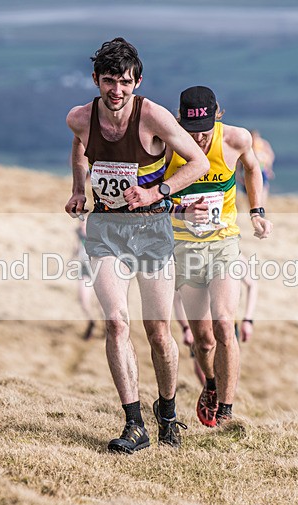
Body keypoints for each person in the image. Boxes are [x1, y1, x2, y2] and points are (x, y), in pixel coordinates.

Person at [65, 38, 209, 454]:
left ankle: (167, 414)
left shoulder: (154, 116)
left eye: (124, 82)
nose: (116, 90)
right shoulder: (80, 118)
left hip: (151, 229)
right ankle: (134, 424)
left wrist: (157, 192)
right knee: (115, 322)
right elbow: (78, 145)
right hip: (106, 229)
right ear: (96, 80)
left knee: (159, 331)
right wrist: (79, 189)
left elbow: (197, 163)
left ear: (137, 81)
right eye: (108, 81)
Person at [165, 86, 272, 427]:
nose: (197, 140)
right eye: (192, 132)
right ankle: (211, 383)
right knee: (204, 339)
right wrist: (181, 212)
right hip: (185, 246)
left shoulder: (236, 139)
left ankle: (226, 411)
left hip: (224, 242)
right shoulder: (167, 143)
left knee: (225, 324)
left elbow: (252, 169)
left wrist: (256, 211)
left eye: (205, 131)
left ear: (218, 116)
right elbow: (150, 197)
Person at [174, 252, 258, 387]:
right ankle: (211, 393)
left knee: (230, 367)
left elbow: (252, 285)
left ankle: (226, 404)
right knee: (203, 364)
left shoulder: (235, 256)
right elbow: (177, 298)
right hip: (200, 322)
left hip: (227, 323)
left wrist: (248, 320)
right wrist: (186, 328)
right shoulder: (192, 256)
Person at [73, 217, 98, 340]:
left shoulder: (98, 233)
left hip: (100, 270)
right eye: (80, 220)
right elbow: (75, 250)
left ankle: (108, 326)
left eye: (85, 221)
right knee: (83, 299)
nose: (82, 223)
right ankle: (91, 322)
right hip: (85, 269)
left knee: (103, 304)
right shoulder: (78, 233)